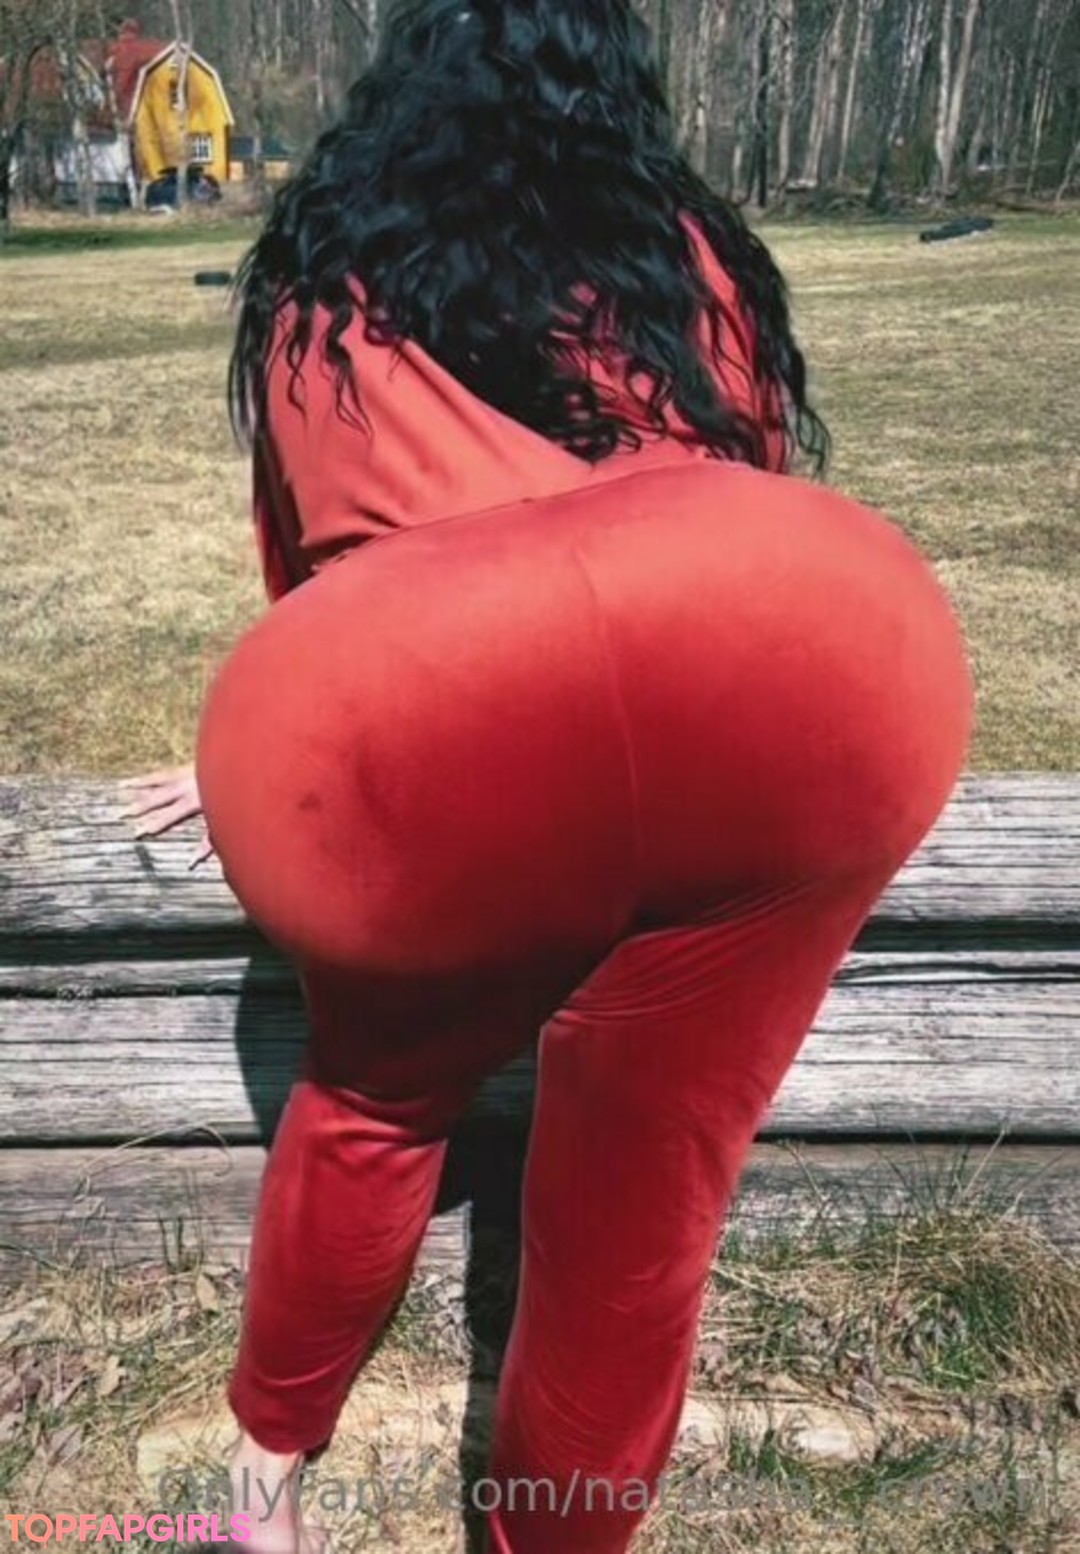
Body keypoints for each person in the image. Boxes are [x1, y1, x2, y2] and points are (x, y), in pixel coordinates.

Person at [120, 1, 976, 1550]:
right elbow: (730, 521)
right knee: (646, 1196)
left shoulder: (330, 280)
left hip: (425, 697)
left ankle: (260, 1486)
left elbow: (326, 577)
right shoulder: (689, 255)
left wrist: (282, 748)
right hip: (806, 646)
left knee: (373, 1098)